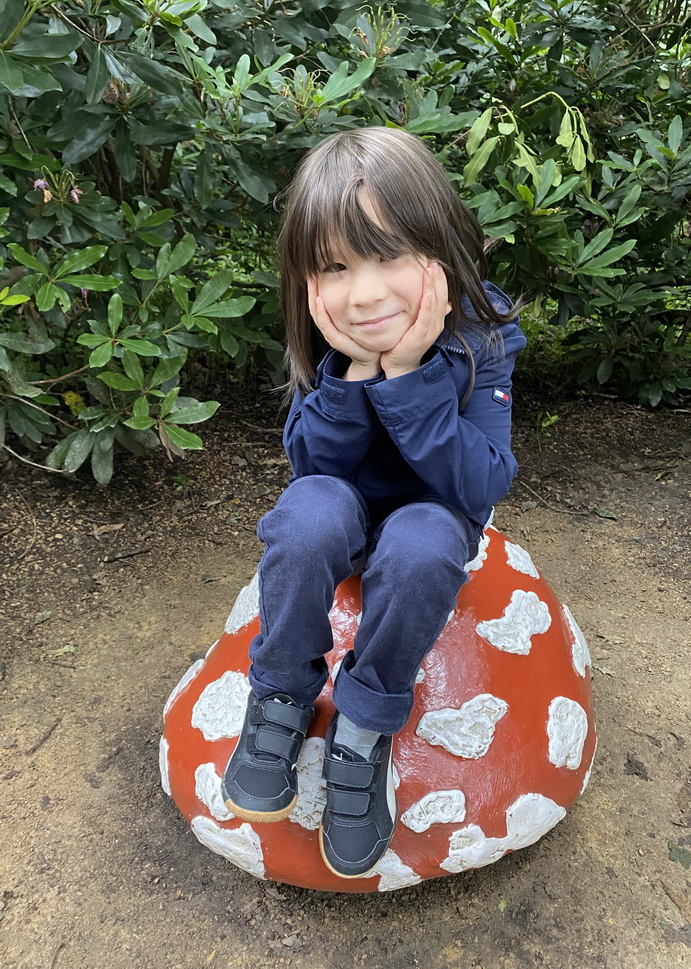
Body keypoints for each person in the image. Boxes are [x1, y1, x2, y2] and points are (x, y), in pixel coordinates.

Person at [222, 125, 526, 880]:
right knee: (308, 512)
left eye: (388, 254)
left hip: (432, 517)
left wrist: (414, 376)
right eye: (334, 266)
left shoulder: (485, 333)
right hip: (343, 513)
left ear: (442, 247)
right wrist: (356, 372)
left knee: (424, 543)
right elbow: (310, 466)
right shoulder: (329, 337)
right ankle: (281, 696)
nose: (363, 292)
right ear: (308, 281)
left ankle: (365, 719)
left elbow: (482, 482)